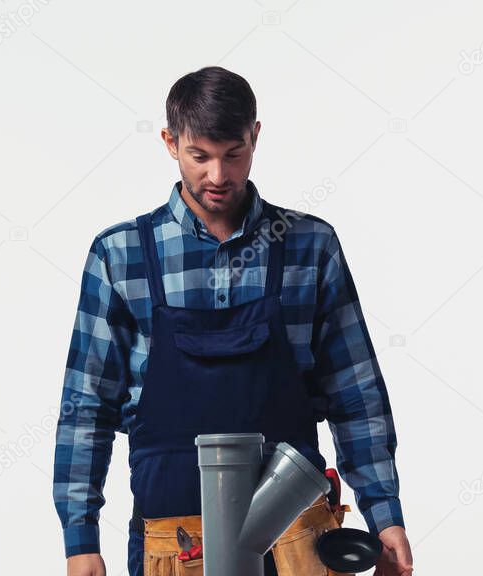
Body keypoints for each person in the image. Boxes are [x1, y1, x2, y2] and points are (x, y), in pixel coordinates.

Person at [54, 66, 414, 576]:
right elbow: (86, 407)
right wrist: (79, 537)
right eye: (199, 156)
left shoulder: (310, 246)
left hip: (298, 541)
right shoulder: (121, 255)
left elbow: (355, 393)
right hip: (173, 545)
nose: (218, 176)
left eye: (233, 155)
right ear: (169, 142)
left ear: (256, 138)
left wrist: (386, 514)